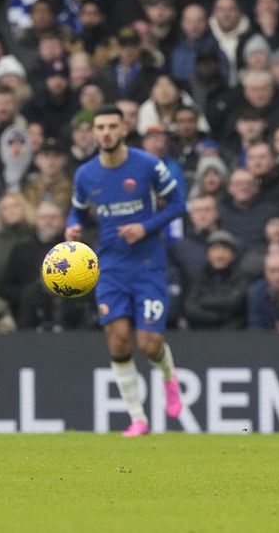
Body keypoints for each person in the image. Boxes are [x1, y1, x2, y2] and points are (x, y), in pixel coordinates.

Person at [66, 105, 186, 437]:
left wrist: (145, 228)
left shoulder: (147, 165)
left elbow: (178, 204)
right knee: (118, 341)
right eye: (99, 127)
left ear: (123, 130)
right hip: (110, 267)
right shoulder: (85, 175)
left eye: (111, 126)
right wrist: (72, 229)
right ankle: (138, 418)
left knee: (149, 344)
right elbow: (75, 213)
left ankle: (168, 375)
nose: (104, 132)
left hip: (148, 265)